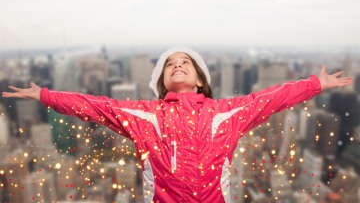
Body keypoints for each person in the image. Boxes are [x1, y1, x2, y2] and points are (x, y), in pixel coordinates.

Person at [2, 46, 352, 203]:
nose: (178, 65)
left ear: (201, 80)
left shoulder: (226, 113)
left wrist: (315, 85)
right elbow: (94, 106)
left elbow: (272, 97)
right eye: (171, 64)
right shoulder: (145, 116)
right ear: (162, 81)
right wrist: (45, 96)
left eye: (186, 62)